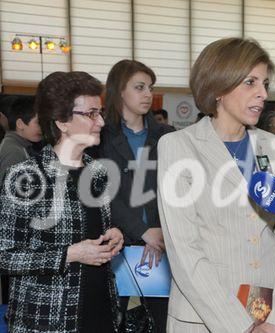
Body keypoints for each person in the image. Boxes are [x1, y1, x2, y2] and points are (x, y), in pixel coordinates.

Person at [157, 37, 275, 333]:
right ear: (218, 87)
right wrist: (242, 327)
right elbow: (185, 251)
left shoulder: (273, 148)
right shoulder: (178, 147)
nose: (262, 93)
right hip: (203, 320)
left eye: (265, 84)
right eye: (250, 82)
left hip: (268, 314)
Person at [0, 71, 124, 332]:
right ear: (61, 122)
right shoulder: (26, 177)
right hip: (48, 319)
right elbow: (5, 257)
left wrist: (112, 236)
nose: (100, 121)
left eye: (99, 112)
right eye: (90, 114)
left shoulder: (98, 172)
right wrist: (71, 254)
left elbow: (90, 233)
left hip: (101, 311)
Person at [98, 59, 172, 333]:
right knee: (110, 321)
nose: (147, 94)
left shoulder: (167, 136)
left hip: (160, 244)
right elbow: (102, 194)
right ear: (119, 92)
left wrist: (160, 232)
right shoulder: (100, 138)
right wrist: (142, 231)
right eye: (139, 87)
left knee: (162, 322)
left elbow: (176, 191)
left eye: (150, 88)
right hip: (114, 244)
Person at [0, 95, 42, 182]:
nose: (42, 127)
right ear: (20, 124)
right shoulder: (14, 151)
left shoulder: (21, 144)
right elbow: (7, 189)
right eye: (38, 123)